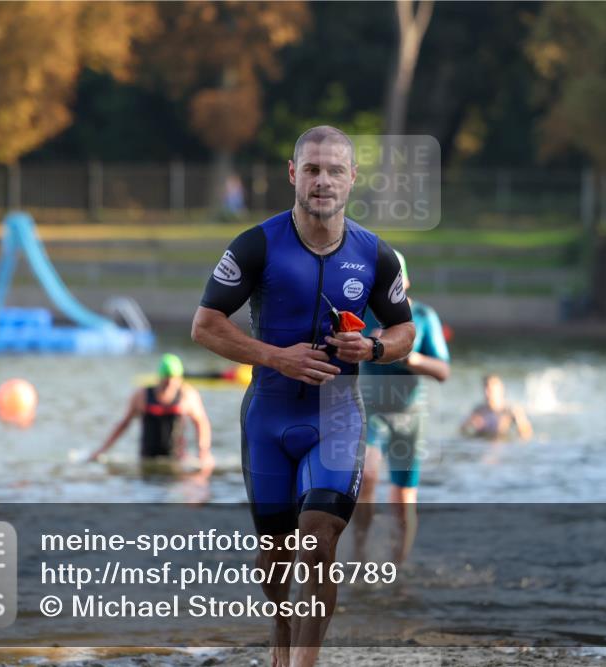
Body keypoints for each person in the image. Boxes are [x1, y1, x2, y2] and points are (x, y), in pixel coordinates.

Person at [191, 126, 415, 667]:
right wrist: (276, 357)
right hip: (268, 419)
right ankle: (280, 625)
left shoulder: (375, 254)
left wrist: (374, 346)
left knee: (318, 539)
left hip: (336, 419)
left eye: (335, 170)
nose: (323, 181)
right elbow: (205, 326)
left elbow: (405, 331)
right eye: (312, 169)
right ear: (293, 174)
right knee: (276, 561)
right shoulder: (256, 245)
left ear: (352, 178)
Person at [354, 250, 450, 563]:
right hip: (370, 410)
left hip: (409, 416)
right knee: (367, 475)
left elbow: (443, 371)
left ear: (405, 282)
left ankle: (399, 565)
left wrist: (409, 357)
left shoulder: (422, 316)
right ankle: (359, 556)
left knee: (403, 499)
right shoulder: (360, 314)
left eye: (392, 281)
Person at [89, 354, 215, 478]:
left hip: (177, 459)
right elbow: (124, 424)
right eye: (166, 379)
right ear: (160, 377)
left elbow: (201, 423)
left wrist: (204, 452)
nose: (170, 384)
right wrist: (102, 450)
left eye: (173, 379)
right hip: (148, 459)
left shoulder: (187, 395)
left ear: (180, 378)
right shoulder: (142, 395)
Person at [461, 374, 533, 440]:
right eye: (485, 389)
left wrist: (518, 421)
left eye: (490, 389)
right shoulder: (479, 410)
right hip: (483, 442)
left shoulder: (512, 410)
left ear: (500, 390)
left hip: (504, 442)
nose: (486, 393)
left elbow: (526, 436)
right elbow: (461, 432)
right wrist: (470, 424)